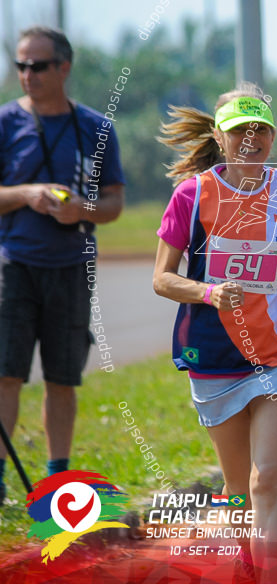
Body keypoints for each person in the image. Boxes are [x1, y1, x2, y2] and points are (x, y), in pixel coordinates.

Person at [153, 87, 277, 581]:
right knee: (236, 487)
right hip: (213, 350)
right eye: (239, 130)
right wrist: (208, 294)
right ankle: (244, 568)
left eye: (261, 129)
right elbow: (162, 278)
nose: (251, 139)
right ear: (219, 136)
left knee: (268, 477)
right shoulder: (192, 195)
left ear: (273, 135)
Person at [0, 26, 125, 503]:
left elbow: (113, 202)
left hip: (72, 266)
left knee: (62, 377)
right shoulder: (6, 123)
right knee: (7, 373)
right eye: (21, 65)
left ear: (63, 68)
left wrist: (81, 210)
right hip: (15, 266)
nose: (27, 74)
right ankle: (0, 478)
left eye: (37, 65)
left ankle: (56, 480)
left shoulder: (95, 128)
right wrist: (26, 195)